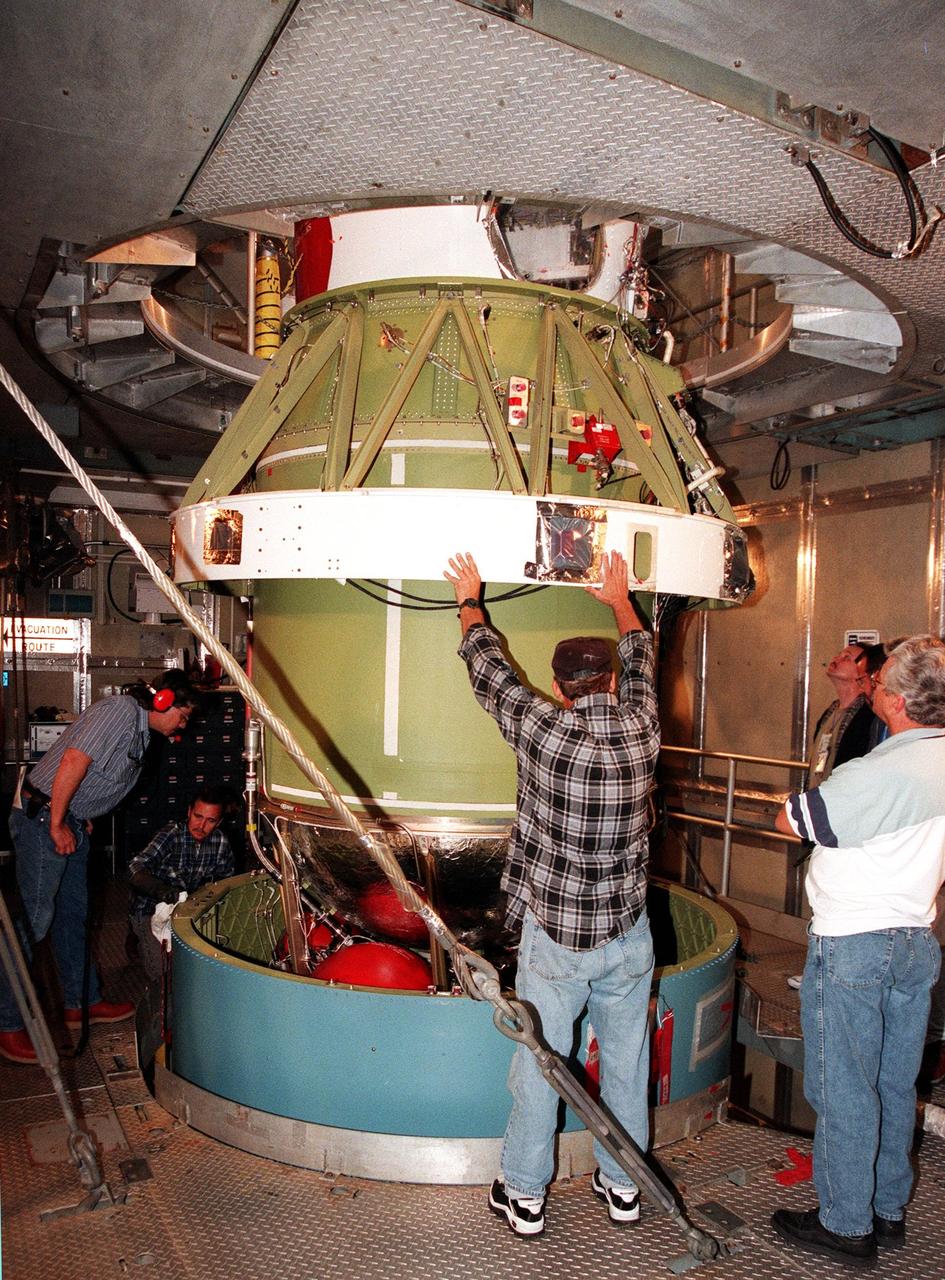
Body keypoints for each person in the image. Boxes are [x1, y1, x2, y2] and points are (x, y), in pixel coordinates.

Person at [444, 550, 658, 1237]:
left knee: (541, 1063)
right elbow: (645, 657)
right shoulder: (642, 727)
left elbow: (490, 674)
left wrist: (469, 599)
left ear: (562, 686)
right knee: (625, 1065)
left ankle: (527, 1195)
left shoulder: (542, 731)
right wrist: (619, 599)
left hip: (557, 938)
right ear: (610, 680)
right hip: (627, 933)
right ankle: (623, 1187)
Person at [771, 636, 945, 1269]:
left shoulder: (881, 771)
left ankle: (846, 1224)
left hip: (854, 946)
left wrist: (784, 805)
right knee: (894, 1085)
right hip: (915, 941)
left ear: (894, 700)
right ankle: (886, 1210)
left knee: (844, 1087)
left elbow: (798, 819)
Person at [0, 671, 199, 1064]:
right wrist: (58, 821)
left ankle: (80, 1003)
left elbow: (98, 775)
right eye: (185, 714)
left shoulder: (140, 732)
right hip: (44, 820)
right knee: (34, 919)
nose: (184, 724)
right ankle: (7, 1024)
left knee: (74, 915)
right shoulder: (120, 712)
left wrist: (80, 814)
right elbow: (75, 759)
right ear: (163, 702)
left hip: (68, 819)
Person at [128, 785, 234, 980]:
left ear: (219, 822)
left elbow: (225, 883)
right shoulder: (172, 834)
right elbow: (136, 867)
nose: (201, 826)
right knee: (163, 973)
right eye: (197, 816)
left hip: (189, 912)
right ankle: (136, 932)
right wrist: (159, 889)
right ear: (188, 812)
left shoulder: (221, 843)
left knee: (208, 965)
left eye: (210, 821)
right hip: (151, 909)